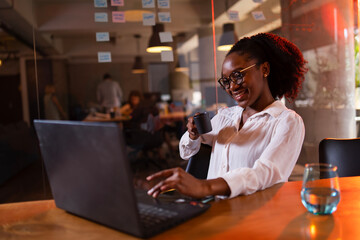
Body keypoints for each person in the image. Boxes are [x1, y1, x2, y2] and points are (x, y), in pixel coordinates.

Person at [146, 33, 307, 199]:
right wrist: (193, 135)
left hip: (256, 214)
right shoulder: (225, 117)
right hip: (215, 210)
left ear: (264, 69)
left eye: (238, 75)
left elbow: (266, 173)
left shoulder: (287, 121)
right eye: (226, 81)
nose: (232, 87)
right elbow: (186, 152)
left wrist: (205, 186)